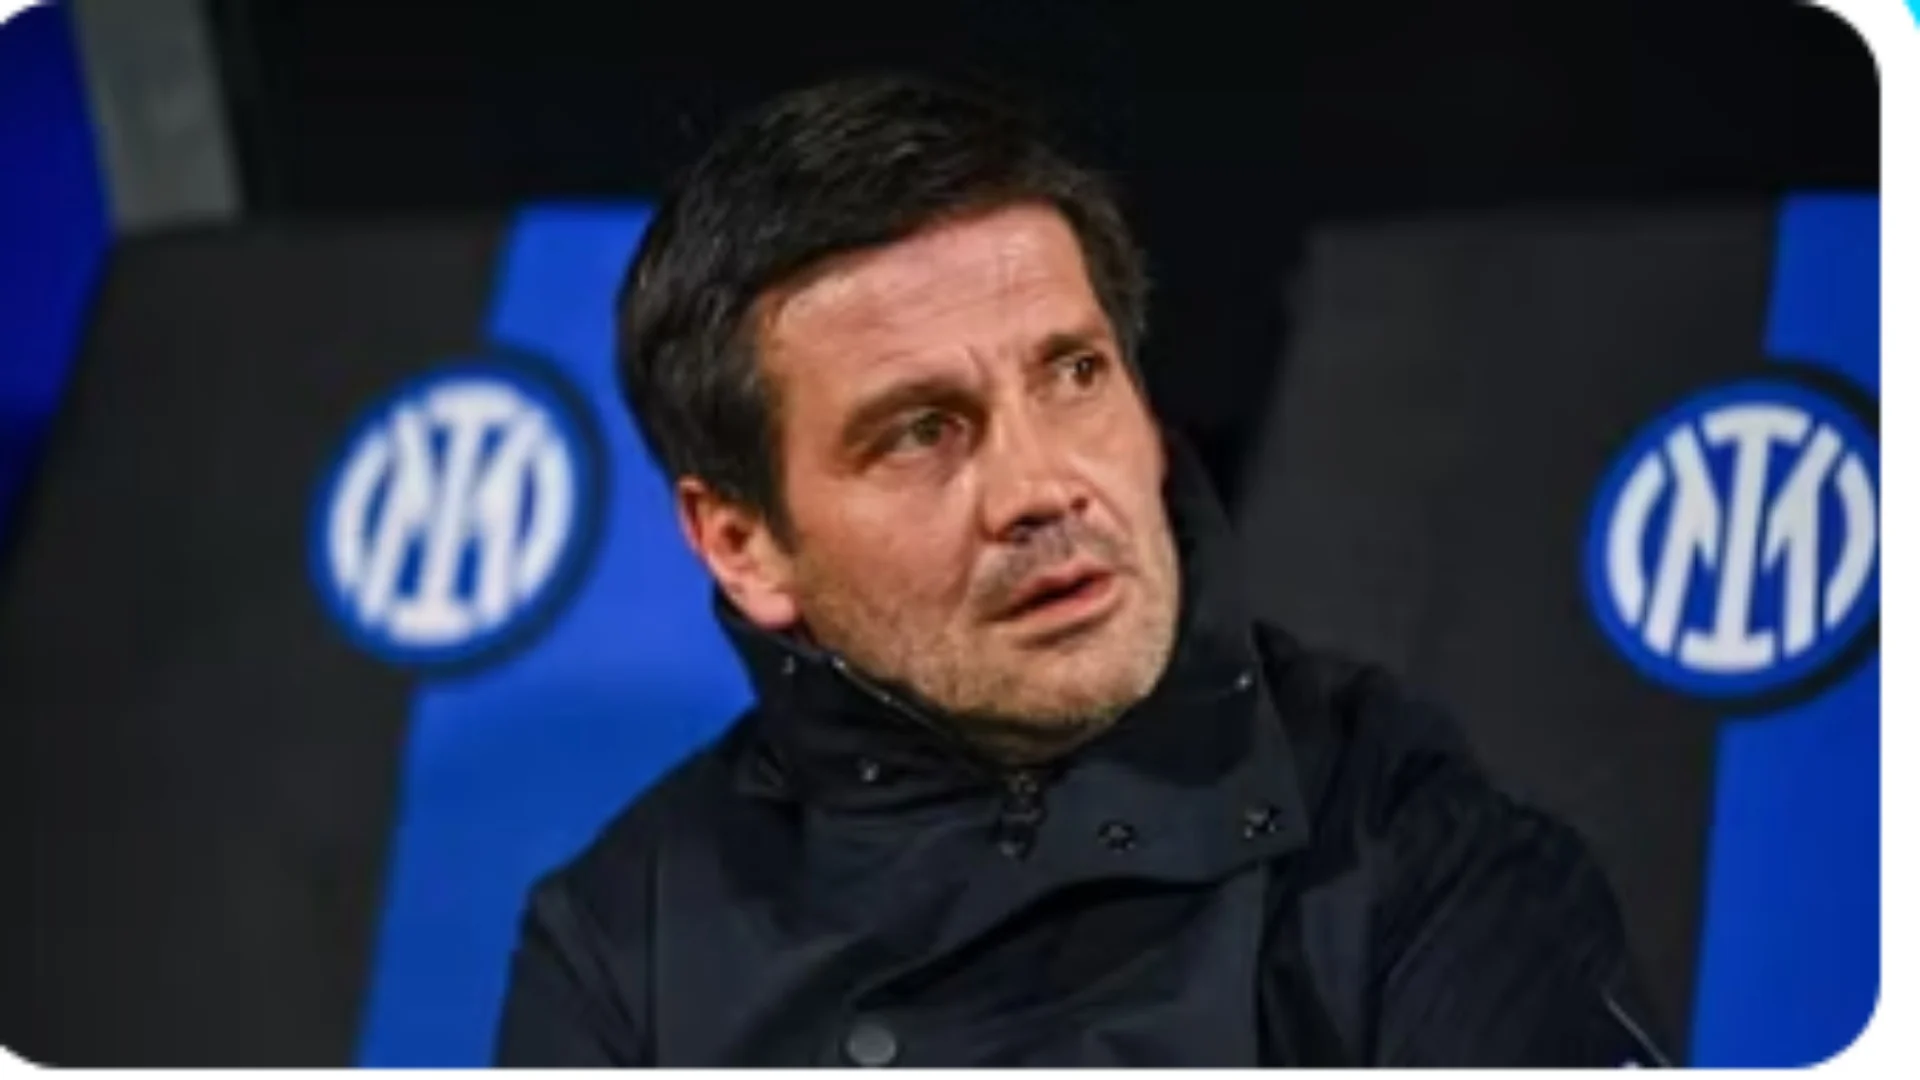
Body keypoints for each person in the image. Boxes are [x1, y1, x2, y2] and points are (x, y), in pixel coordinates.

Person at [492, 73, 1669, 1067]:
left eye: (1074, 374)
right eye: (921, 431)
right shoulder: (625, 945)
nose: (1041, 488)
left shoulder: (1413, 846)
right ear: (741, 544)